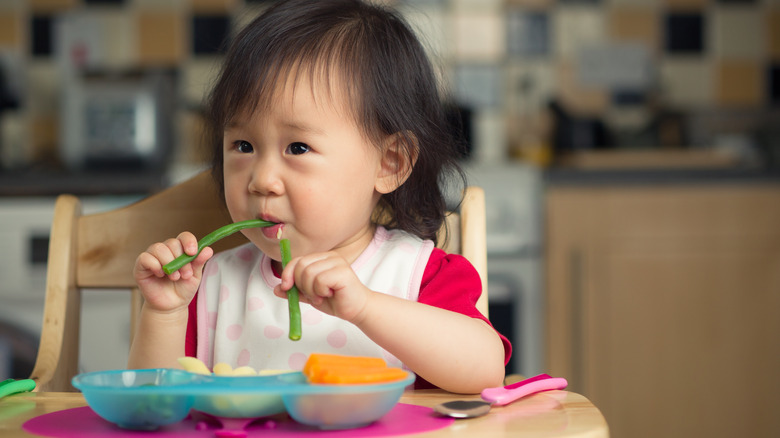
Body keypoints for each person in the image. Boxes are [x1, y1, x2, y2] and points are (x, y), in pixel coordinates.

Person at [128, 0, 510, 394]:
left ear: (389, 163)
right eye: (243, 145)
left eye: (297, 148)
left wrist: (365, 307)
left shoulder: (418, 274)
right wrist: (165, 313)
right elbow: (148, 402)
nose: (262, 180)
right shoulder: (209, 286)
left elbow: (485, 371)